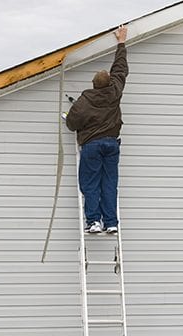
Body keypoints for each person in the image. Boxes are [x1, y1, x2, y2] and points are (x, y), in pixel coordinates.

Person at [65, 25, 128, 234]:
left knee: (90, 183)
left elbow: (72, 123)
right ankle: (111, 222)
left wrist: (75, 118)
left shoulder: (85, 100)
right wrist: (121, 42)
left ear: (93, 85)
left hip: (92, 146)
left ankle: (94, 222)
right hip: (111, 144)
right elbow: (120, 69)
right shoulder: (115, 90)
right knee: (109, 184)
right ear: (109, 82)